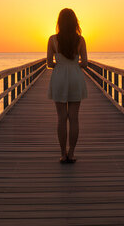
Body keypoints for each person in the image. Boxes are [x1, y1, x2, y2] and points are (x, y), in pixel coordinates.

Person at [47, 8, 88, 163]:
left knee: (61, 118)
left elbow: (49, 63)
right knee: (74, 118)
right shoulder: (80, 40)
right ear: (74, 22)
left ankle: (62, 154)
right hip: (75, 77)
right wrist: (74, 63)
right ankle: (71, 153)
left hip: (59, 78)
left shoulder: (52, 39)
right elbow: (84, 63)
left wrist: (61, 63)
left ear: (59, 22)